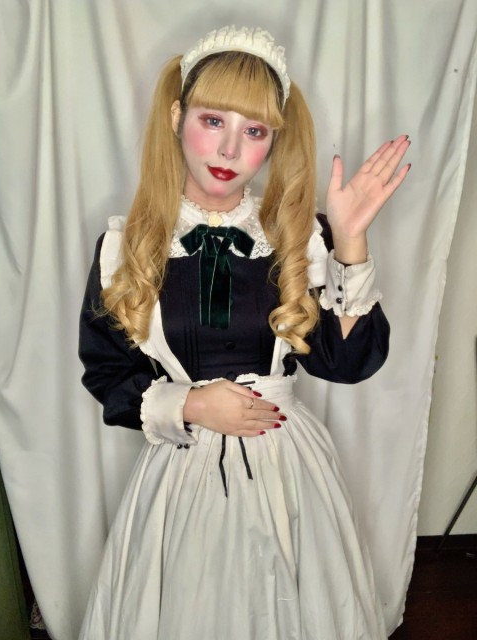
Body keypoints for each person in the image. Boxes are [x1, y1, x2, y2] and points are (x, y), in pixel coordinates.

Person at [78, 26, 410, 640]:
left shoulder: (302, 237)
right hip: (181, 473)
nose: (230, 148)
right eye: (213, 121)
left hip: (289, 469)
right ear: (177, 118)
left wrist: (350, 242)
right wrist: (191, 404)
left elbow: (347, 364)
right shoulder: (123, 247)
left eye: (254, 131)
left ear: (273, 142)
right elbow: (106, 371)